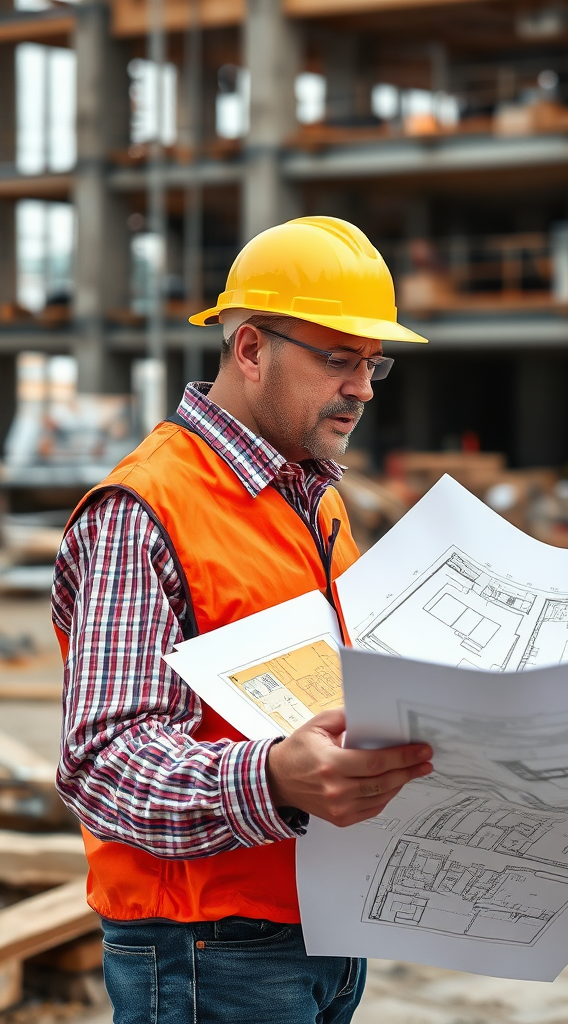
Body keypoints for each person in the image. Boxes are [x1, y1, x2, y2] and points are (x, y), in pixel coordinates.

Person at [51, 217, 436, 1024]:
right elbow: (103, 765)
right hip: (203, 948)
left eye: (373, 364)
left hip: (321, 925)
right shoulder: (144, 510)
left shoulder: (315, 499)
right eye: (338, 359)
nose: (363, 388)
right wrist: (270, 780)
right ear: (252, 349)